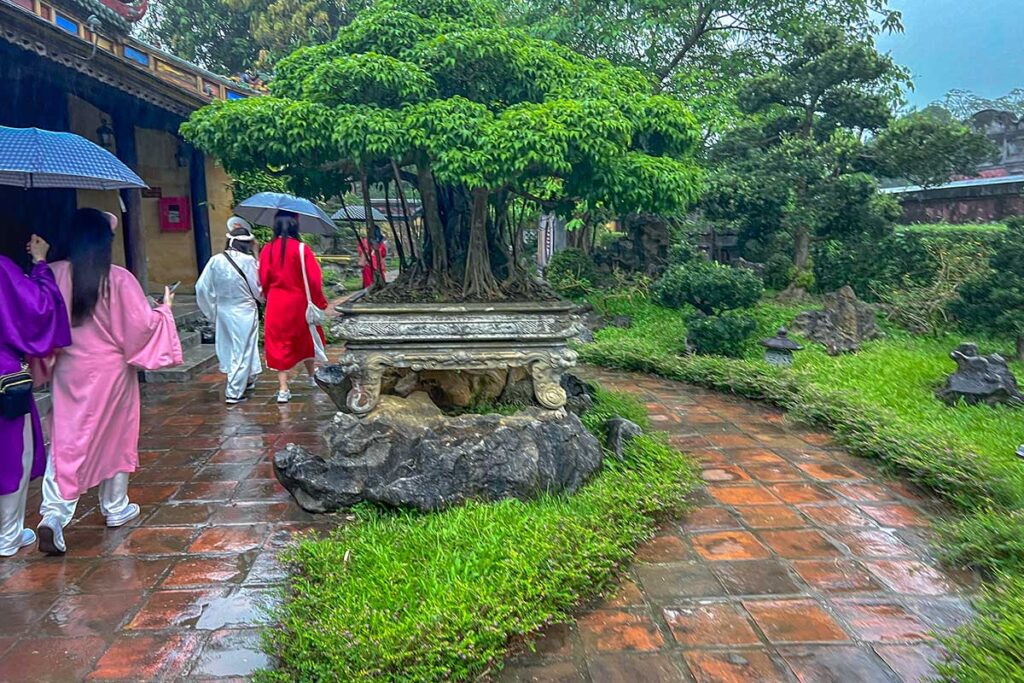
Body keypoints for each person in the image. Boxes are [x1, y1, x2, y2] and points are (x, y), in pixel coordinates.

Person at [36, 209, 182, 556]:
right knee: (116, 435)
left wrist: (39, 261)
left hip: (68, 371)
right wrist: (164, 309)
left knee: (66, 438)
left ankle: (55, 513)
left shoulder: (54, 274)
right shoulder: (118, 279)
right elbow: (141, 329)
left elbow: (37, 314)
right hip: (111, 374)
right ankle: (116, 507)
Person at [0, 234, 71, 557]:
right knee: (14, 453)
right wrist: (41, 264)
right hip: (4, 377)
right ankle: (8, 533)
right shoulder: (2, 269)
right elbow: (37, 310)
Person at [259, 210, 327, 404]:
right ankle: (312, 376)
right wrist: (320, 301)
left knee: (278, 344)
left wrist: (267, 294)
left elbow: (263, 279)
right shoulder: (302, 249)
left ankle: (283, 389)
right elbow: (314, 280)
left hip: (276, 304)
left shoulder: (267, 250)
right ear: (296, 225)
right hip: (299, 303)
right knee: (306, 339)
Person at [196, 217, 263, 404]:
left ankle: (248, 379)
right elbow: (257, 288)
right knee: (243, 349)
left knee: (230, 347)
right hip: (244, 310)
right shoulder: (249, 261)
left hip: (224, 309)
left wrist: (211, 310)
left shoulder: (215, 260)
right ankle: (233, 392)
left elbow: (201, 287)